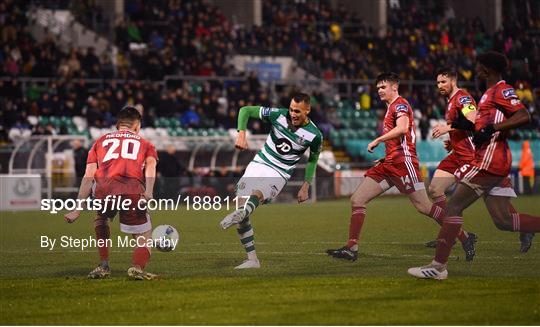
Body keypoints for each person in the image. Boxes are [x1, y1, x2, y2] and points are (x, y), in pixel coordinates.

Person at [408, 52, 540, 280]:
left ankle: (438, 266)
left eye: (479, 67)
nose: (476, 71)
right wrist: (474, 133)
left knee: (453, 206)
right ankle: (450, 248)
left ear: (486, 69)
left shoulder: (498, 90)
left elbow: (523, 115)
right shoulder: (488, 93)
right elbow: (476, 123)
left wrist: (491, 130)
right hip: (488, 157)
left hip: (488, 160)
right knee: (503, 221)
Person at [326, 72, 477, 262]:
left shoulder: (400, 105)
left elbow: (403, 127)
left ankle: (464, 237)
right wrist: (385, 156)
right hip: (389, 164)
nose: (379, 91)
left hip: (404, 164)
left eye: (383, 87)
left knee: (423, 206)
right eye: (378, 88)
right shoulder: (390, 107)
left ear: (394, 87)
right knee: (357, 199)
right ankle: (351, 247)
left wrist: (378, 140)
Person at [426, 67, 531, 252]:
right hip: (456, 154)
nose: (440, 86)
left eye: (443, 82)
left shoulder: (462, 97)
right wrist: (453, 141)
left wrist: (448, 127)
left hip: (470, 156)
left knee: (493, 199)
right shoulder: (450, 101)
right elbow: (465, 128)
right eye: (438, 83)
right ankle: (456, 234)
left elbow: (473, 119)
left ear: (453, 80)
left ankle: (525, 228)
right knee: (435, 189)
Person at [219, 93, 323, 269]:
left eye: (297, 111)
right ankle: (252, 260)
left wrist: (306, 186)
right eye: (291, 109)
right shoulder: (278, 115)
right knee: (241, 207)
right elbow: (245, 110)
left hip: (280, 172)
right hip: (259, 162)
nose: (292, 114)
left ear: (308, 110)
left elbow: (313, 160)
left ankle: (244, 213)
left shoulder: (315, 135)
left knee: (257, 195)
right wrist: (241, 134)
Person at [64, 106, 159, 280]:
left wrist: (78, 209)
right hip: (132, 190)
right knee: (144, 235)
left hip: (103, 190)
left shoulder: (99, 142)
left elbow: (88, 175)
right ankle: (137, 267)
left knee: (101, 218)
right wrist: (149, 191)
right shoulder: (146, 144)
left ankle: (104, 265)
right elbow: (151, 166)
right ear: (137, 126)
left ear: (117, 124)